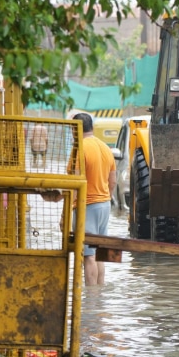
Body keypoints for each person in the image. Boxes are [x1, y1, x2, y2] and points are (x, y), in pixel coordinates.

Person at [75, 112, 117, 286]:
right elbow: (112, 181)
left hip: (88, 205)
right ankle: (100, 293)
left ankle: (91, 298)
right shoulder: (106, 148)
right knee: (100, 251)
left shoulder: (80, 149)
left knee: (89, 254)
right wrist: (105, 198)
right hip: (104, 204)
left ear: (75, 129)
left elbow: (75, 182)